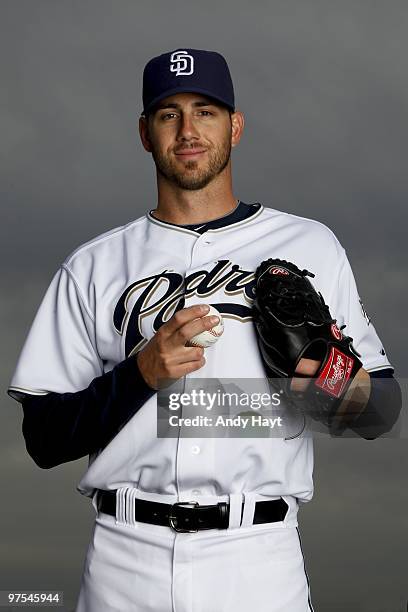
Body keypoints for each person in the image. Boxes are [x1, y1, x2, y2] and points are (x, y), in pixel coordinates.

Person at [7, 48, 401, 612]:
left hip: (258, 556)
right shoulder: (94, 266)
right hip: (126, 556)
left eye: (206, 111)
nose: (188, 130)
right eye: (169, 114)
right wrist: (139, 374)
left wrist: (331, 383)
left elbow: (383, 410)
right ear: (145, 133)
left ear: (235, 126)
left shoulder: (309, 246)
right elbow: (42, 439)